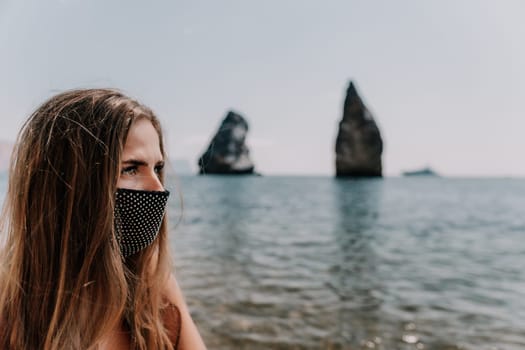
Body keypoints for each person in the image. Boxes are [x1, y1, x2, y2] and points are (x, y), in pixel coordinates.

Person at [0, 89, 207, 349]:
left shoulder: (153, 283)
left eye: (158, 168)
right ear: (69, 185)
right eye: (130, 168)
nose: (158, 188)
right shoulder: (9, 315)